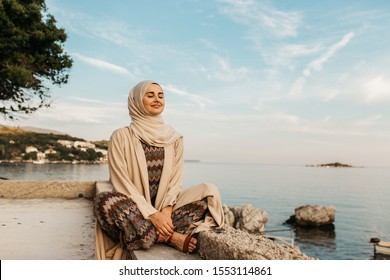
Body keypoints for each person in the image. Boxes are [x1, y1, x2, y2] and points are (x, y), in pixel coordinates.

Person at [93, 80, 224, 259]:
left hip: (163, 214)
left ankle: (148, 235)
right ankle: (170, 237)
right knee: (104, 201)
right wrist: (152, 215)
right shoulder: (121, 136)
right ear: (137, 100)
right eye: (150, 95)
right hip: (135, 211)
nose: (157, 99)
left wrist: (165, 213)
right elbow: (121, 183)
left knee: (209, 192)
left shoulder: (175, 138)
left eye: (161, 95)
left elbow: (175, 181)